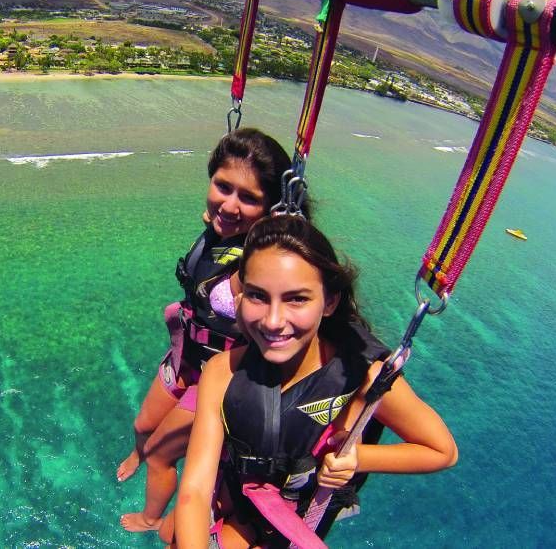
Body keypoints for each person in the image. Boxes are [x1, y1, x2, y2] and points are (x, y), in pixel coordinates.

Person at [175, 215, 458, 548]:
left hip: (294, 526)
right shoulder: (222, 373)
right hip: (243, 510)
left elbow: (442, 451)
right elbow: (194, 492)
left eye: (297, 299)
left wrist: (359, 459)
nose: (273, 320)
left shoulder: (363, 376)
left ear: (330, 302)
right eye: (257, 296)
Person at [118, 128, 313, 532]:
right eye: (223, 187)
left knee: (160, 454)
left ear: (270, 209)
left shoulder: (259, 259)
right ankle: (141, 453)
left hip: (219, 380)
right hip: (187, 354)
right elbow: (219, 222)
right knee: (142, 428)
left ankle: (152, 517)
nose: (230, 205)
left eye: (248, 198)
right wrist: (222, 217)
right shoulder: (219, 227)